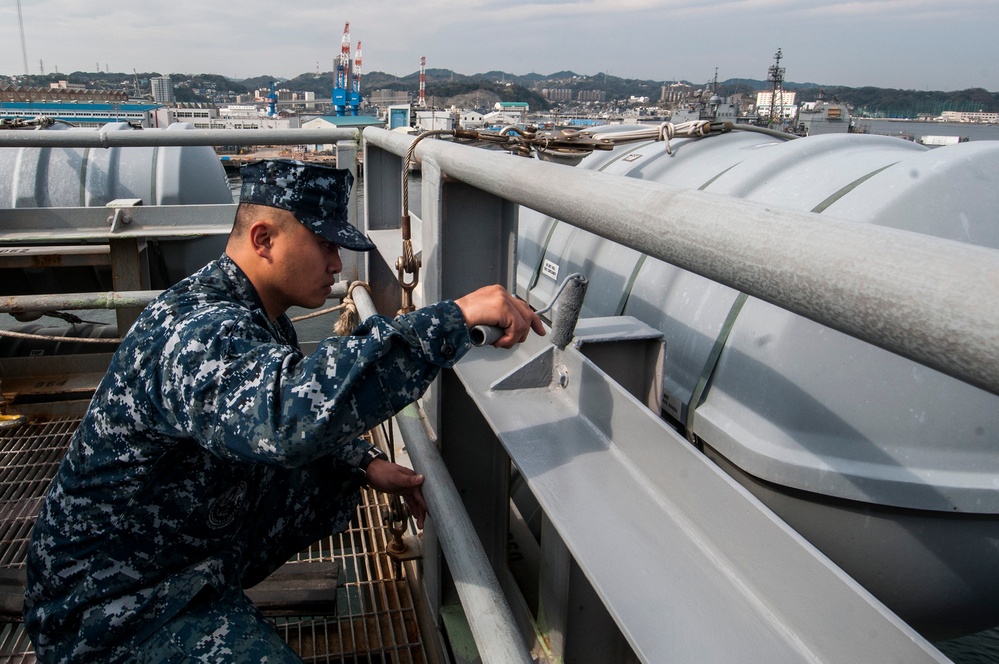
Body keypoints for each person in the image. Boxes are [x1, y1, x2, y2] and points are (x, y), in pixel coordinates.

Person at [24, 159, 544, 663]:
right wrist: (451, 320)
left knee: (319, 473)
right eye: (324, 244)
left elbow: (284, 406)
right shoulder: (199, 330)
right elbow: (289, 415)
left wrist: (361, 464)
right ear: (263, 239)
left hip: (174, 565)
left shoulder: (258, 317)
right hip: (110, 610)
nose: (338, 264)